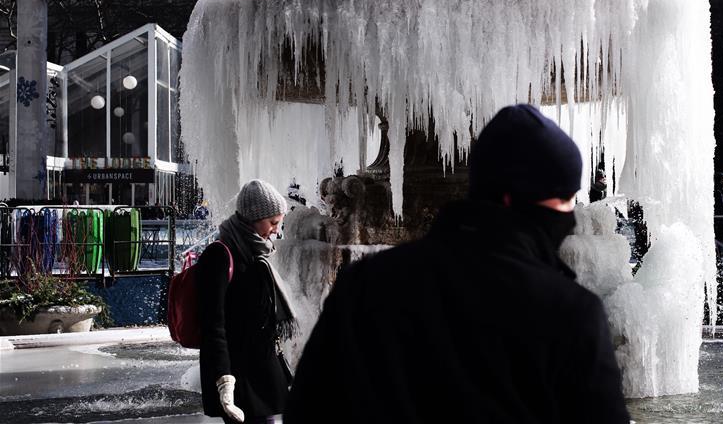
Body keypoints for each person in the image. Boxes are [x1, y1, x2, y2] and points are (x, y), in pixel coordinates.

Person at [284, 104, 629, 424]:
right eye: (564, 197)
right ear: (513, 198)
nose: (570, 211)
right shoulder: (570, 314)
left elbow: (308, 409)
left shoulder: (366, 285)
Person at [198, 179, 296, 424]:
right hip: (240, 378)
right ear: (253, 218)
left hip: (264, 373)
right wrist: (224, 380)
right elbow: (213, 324)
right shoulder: (220, 254)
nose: (276, 230)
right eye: (273, 222)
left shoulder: (256, 251)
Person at [714, 172, 723, 257]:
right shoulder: (718, 193)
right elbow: (722, 208)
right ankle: (719, 259)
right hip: (719, 221)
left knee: (719, 241)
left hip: (720, 221)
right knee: (719, 240)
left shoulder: (721, 192)